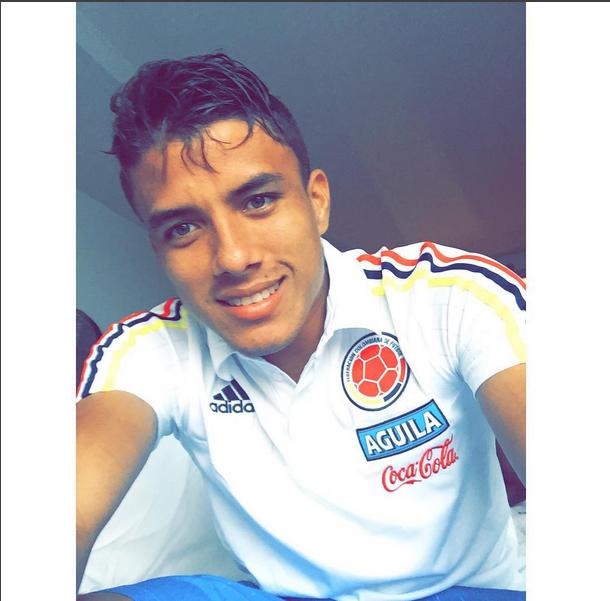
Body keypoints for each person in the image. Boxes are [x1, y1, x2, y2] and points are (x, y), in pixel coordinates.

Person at [76, 53, 526, 601]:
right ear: (158, 249)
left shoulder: (448, 293)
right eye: (184, 228)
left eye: (258, 201)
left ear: (316, 202)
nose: (233, 258)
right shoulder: (149, 350)